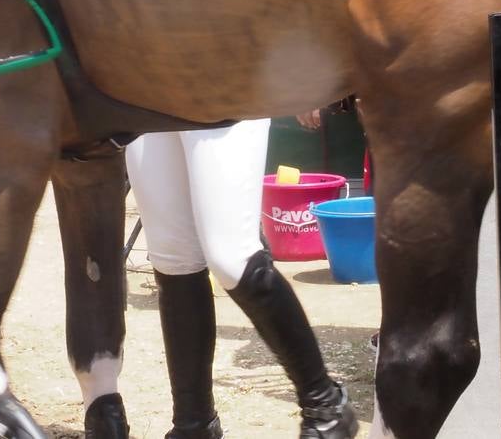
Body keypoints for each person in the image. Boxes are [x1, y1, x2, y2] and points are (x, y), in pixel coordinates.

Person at [121, 119, 354, 439]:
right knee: (173, 260)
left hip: (219, 87)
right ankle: (193, 424)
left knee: (232, 257)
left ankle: (325, 405)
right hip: (141, 95)